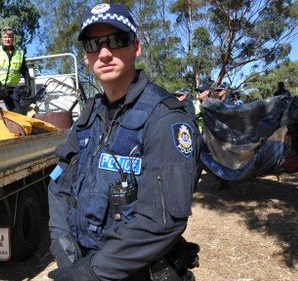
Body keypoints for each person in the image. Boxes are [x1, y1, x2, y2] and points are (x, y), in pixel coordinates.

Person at [47, 3, 200, 281]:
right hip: (85, 264)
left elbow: (162, 220)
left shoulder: (165, 119)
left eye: (116, 41)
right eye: (93, 45)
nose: (104, 53)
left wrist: (91, 273)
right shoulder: (87, 117)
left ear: (136, 47)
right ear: (85, 57)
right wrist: (62, 245)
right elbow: (59, 184)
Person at [0, 26, 31, 114]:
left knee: (18, 114)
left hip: (12, 90)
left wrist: (28, 85)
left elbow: (25, 71)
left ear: (13, 38)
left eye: (9, 37)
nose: (7, 39)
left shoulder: (20, 53)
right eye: (5, 37)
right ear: (2, 39)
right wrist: (0, 87)